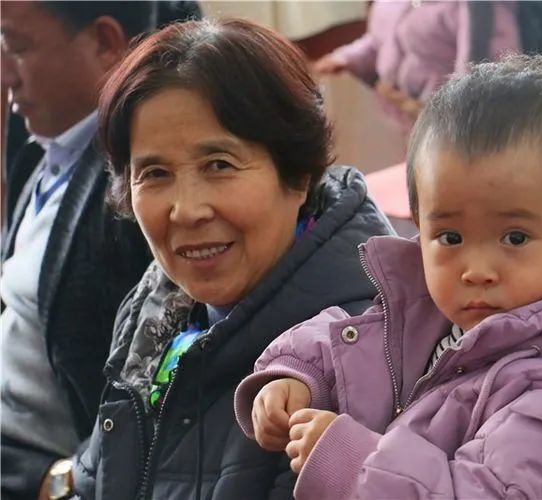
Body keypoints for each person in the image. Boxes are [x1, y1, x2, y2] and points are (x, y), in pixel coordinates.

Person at [235, 54, 542, 499]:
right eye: (449, 237)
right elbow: (367, 341)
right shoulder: (467, 308)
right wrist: (300, 376)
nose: (477, 270)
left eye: (514, 238)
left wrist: (353, 463)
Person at [70, 17, 394, 499]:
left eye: (218, 165)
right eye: (154, 173)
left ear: (299, 175)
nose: (187, 210)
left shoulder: (362, 350)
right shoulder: (153, 311)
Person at [0, 3, 156, 499]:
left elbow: (156, 381)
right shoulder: (41, 150)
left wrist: (61, 479)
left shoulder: (134, 188)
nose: (5, 73)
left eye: (17, 48)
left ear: (106, 43)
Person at [314, 0, 520, 130]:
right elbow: (377, 41)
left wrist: (445, 114)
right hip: (394, 117)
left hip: (442, 123)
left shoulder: (476, 9)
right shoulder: (390, 5)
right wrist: (347, 57)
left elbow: (487, 69)